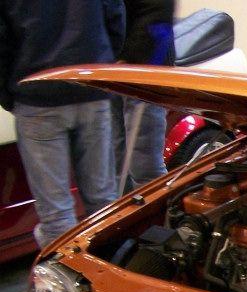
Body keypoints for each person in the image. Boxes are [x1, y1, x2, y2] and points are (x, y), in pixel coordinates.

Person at [0, 0, 125, 248]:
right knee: (103, 201)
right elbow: (116, 20)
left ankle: (68, 270)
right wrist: (102, 67)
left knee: (57, 214)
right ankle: (109, 265)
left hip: (37, 94)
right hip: (91, 88)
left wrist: (9, 95)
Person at [111, 0, 175, 194]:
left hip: (143, 74)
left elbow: (158, 15)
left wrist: (129, 58)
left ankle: (157, 212)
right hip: (112, 73)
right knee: (116, 167)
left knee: (145, 169)